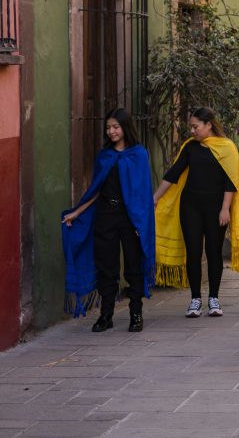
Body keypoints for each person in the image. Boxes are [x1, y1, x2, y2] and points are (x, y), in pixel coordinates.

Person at [61, 108, 155, 333]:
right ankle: (106, 315)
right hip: (106, 215)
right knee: (106, 266)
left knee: (133, 265)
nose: (111, 131)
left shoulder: (138, 154)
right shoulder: (105, 156)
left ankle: (136, 313)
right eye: (108, 128)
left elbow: (142, 193)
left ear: (125, 127)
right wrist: (77, 212)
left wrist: (141, 224)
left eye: (116, 127)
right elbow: (96, 190)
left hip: (130, 217)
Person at [154, 107, 239, 318]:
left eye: (196, 126)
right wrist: (155, 197)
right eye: (191, 127)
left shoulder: (227, 148)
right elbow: (173, 174)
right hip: (190, 206)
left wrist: (225, 209)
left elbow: (231, 182)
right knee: (193, 252)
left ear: (208, 125)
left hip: (216, 208)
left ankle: (214, 298)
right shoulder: (190, 147)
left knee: (214, 252)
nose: (192, 131)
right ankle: (195, 299)